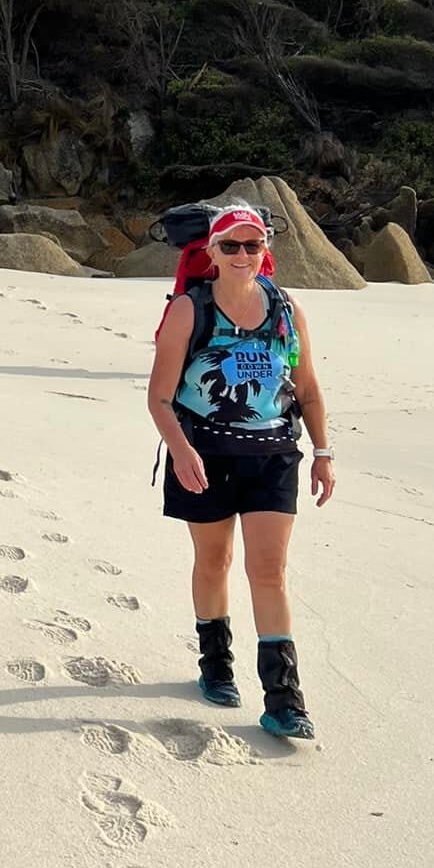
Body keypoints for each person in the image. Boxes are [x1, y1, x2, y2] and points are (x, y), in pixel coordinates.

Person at [145, 202, 334, 739]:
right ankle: (215, 664)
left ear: (265, 250)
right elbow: (160, 398)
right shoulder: (189, 309)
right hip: (203, 452)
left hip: (273, 454)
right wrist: (180, 451)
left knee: (269, 570)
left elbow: (309, 388)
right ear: (211, 250)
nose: (243, 255)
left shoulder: (287, 310)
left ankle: (284, 699)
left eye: (253, 245)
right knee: (215, 560)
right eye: (231, 245)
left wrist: (323, 452)